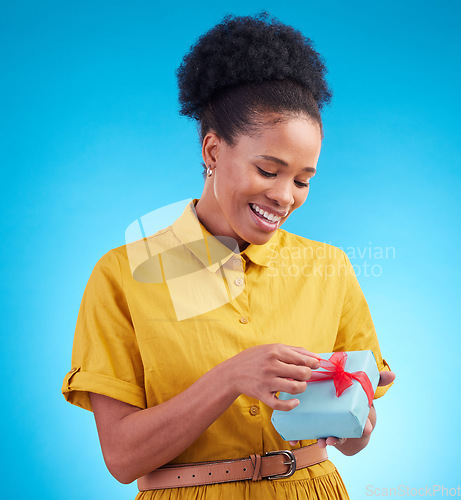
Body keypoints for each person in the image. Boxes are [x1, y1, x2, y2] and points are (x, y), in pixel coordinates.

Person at [62, 13, 395, 500]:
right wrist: (232, 377)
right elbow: (122, 458)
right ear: (214, 151)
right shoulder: (122, 276)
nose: (285, 196)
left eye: (303, 180)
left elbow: (352, 444)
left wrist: (354, 412)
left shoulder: (330, 268)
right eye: (268, 170)